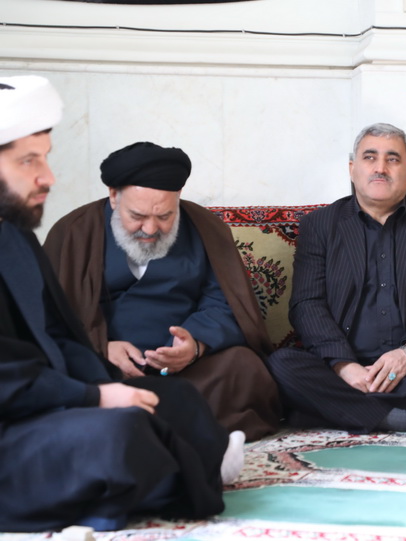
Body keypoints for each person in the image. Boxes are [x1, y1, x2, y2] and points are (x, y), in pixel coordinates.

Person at [0, 75, 246, 532]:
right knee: (123, 428)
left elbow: (56, 334)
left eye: (45, 158)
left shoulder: (13, 234)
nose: (48, 177)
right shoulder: (76, 231)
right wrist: (96, 394)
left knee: (172, 398)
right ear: (114, 198)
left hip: (53, 394)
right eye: (29, 161)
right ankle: (186, 471)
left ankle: (180, 469)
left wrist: (103, 382)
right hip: (14, 418)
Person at [44, 141, 281, 440]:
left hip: (185, 372)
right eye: (138, 216)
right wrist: (101, 347)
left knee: (244, 367)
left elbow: (226, 302)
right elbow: (46, 316)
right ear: (114, 196)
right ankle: (173, 430)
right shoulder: (73, 232)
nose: (151, 229)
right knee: (62, 382)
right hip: (104, 369)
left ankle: (141, 427)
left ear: (178, 196)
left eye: (165, 216)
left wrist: (194, 346)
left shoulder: (204, 228)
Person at [265, 123, 406, 435]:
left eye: (393, 159)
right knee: (282, 364)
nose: (380, 168)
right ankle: (398, 418)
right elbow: (307, 304)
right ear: (352, 169)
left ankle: (335, 411)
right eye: (370, 157)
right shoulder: (320, 225)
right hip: (342, 365)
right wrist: (344, 366)